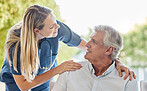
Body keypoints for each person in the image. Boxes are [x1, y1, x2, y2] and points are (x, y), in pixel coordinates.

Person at [0, 5, 135, 91]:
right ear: (36, 30)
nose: (57, 27)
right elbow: (23, 86)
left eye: (55, 22)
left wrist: (116, 61)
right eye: (52, 26)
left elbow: (88, 46)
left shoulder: (56, 27)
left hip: (43, 74)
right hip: (18, 81)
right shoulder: (15, 46)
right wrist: (58, 70)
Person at [52, 25, 138, 91]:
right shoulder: (69, 70)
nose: (86, 44)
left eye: (94, 42)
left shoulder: (127, 80)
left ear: (108, 49)